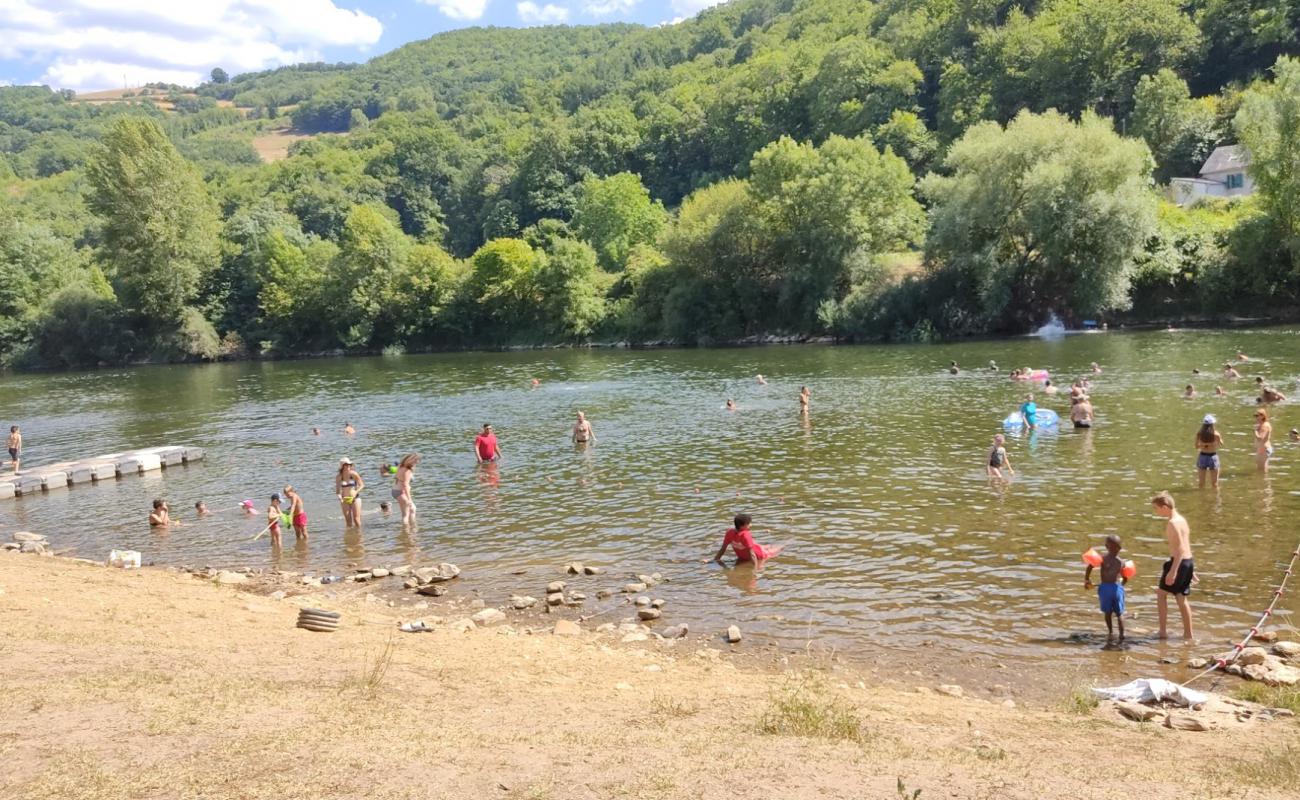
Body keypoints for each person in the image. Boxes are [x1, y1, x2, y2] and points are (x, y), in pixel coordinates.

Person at [1151, 492, 1194, 641]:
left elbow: (1180, 548)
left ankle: (1162, 632)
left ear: (1164, 507)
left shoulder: (1172, 523)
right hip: (1188, 562)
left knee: (1161, 594)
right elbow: (1187, 546)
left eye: (1157, 509)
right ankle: (1188, 634)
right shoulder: (1182, 520)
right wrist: (1192, 570)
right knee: (1181, 598)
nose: (1156, 512)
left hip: (1178, 562)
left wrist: (1173, 571)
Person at [1083, 534, 1128, 644]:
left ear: (1106, 546)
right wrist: (1122, 584)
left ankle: (1111, 632)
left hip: (1104, 588)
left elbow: (1090, 567)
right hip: (1117, 588)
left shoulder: (1102, 559)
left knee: (1108, 612)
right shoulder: (1121, 562)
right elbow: (1125, 577)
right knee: (1119, 614)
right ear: (1120, 548)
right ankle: (1122, 635)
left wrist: (1087, 580)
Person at [712, 513, 782, 564]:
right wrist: (754, 570)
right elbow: (752, 554)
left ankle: (785, 544)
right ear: (743, 525)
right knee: (779, 548)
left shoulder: (729, 532)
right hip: (760, 555)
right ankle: (785, 544)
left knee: (775, 548)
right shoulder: (745, 535)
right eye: (749, 523)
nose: (751, 525)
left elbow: (722, 549)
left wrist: (715, 559)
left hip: (757, 551)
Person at [1195, 414, 1223, 488]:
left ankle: (1201, 498)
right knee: (1215, 483)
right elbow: (1221, 443)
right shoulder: (1216, 434)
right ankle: (1216, 498)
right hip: (1213, 456)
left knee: (1201, 483)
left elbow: (1196, 446)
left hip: (1202, 456)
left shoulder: (1199, 434)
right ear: (1212, 424)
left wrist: (1204, 445)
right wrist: (1212, 444)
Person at [335, 457, 365, 527]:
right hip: (345, 499)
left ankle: (359, 535)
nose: (348, 466)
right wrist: (340, 498)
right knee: (348, 521)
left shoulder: (354, 474)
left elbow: (362, 485)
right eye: (346, 465)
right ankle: (350, 536)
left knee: (356, 519)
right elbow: (338, 491)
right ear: (342, 466)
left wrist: (356, 491)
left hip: (355, 498)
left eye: (350, 464)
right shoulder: (339, 477)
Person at [392, 453, 419, 526]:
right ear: (410, 461)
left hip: (395, 491)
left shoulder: (400, 466)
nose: (416, 463)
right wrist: (409, 499)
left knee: (412, 509)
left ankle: (410, 528)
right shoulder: (407, 471)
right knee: (406, 514)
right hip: (401, 492)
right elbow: (405, 485)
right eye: (415, 461)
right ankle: (407, 531)